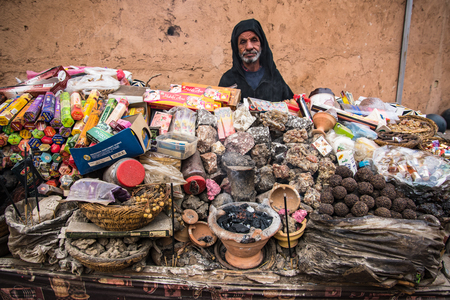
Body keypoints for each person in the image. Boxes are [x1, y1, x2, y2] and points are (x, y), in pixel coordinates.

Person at [218, 19, 294, 102]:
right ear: (237, 48)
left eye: (254, 40)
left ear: (262, 45)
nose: (249, 47)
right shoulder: (228, 80)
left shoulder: (274, 77)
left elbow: (291, 106)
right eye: (243, 42)